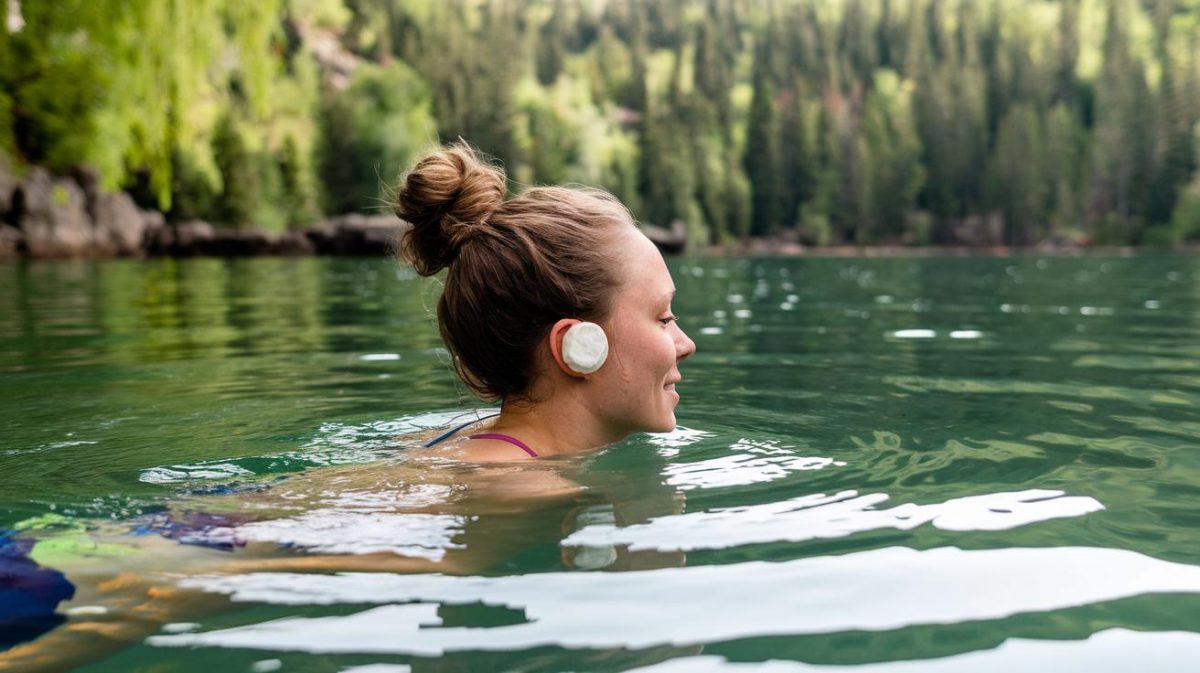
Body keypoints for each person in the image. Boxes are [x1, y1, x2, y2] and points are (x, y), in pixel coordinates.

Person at [397, 141, 696, 461]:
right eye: (663, 318)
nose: (687, 345)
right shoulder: (527, 492)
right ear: (579, 347)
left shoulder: (446, 442)